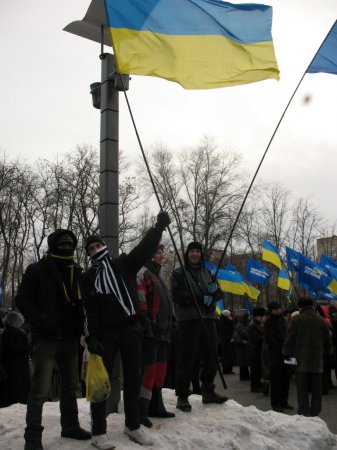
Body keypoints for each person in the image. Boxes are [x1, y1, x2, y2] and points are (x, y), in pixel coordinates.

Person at [84, 211, 170, 449]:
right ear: (88, 254)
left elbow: (143, 249)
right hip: (106, 335)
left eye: (97, 245)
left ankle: (132, 425)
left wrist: (158, 228)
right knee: (102, 384)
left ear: (105, 246)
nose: (95, 250)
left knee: (133, 379)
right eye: (90, 249)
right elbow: (88, 309)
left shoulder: (123, 264)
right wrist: (91, 337)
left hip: (131, 329)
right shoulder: (89, 276)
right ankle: (98, 432)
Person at [16, 229, 91, 450]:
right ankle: (32, 439)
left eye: (70, 244)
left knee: (71, 387)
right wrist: (39, 319)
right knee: (40, 390)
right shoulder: (38, 269)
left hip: (70, 339)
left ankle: (70, 426)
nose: (67, 247)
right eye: (62, 243)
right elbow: (22, 298)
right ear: (53, 245)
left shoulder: (75, 270)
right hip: (46, 339)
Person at [171, 241, 228, 413]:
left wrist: (214, 291)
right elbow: (176, 295)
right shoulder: (179, 273)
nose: (195, 254)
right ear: (187, 254)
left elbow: (219, 293)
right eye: (192, 251)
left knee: (211, 355)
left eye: (197, 251)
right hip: (189, 320)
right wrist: (199, 298)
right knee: (187, 358)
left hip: (208, 318)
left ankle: (208, 391)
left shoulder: (208, 272)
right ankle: (182, 396)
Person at [136, 243, 175, 428]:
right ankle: (141, 411)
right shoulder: (143, 273)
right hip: (150, 334)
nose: (161, 255)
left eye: (162, 252)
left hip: (163, 334)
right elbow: (141, 301)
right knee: (148, 373)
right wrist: (147, 327)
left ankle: (156, 406)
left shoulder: (158, 276)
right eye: (157, 252)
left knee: (160, 372)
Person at [283, 297, 332, 416]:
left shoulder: (296, 320)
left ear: (300, 307)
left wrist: (286, 354)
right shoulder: (321, 320)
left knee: (302, 391)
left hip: (301, 362)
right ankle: (315, 412)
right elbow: (328, 342)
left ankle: (303, 413)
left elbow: (289, 339)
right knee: (316, 390)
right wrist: (326, 354)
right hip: (317, 363)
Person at [264, 301, 292, 413]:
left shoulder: (281, 320)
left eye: (279, 309)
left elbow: (286, 334)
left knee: (286, 379)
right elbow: (270, 339)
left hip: (285, 354)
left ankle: (284, 401)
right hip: (276, 356)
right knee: (276, 381)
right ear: (271, 310)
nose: (279, 311)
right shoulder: (269, 321)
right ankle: (276, 404)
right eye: (276, 309)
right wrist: (281, 348)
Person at [1, 310, 31, 406]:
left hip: (11, 366)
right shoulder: (20, 334)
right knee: (20, 389)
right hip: (19, 366)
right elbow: (21, 348)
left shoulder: (6, 334)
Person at [247, 307, 265, 392]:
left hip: (257, 350)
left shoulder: (258, 324)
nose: (262, 317)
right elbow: (255, 337)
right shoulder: (252, 325)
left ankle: (257, 384)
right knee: (255, 369)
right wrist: (265, 338)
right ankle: (254, 386)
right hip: (254, 350)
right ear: (256, 316)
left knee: (258, 369)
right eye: (260, 316)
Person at [232, 312, 250, 381]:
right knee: (243, 362)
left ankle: (245, 375)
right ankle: (244, 376)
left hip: (242, 345)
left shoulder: (241, 324)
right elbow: (244, 334)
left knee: (244, 362)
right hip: (241, 345)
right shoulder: (241, 325)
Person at [219, 310, 235, 374]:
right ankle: (226, 369)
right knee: (226, 355)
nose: (230, 316)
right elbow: (228, 329)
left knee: (230, 355)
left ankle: (229, 369)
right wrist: (231, 321)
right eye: (229, 315)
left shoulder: (225, 321)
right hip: (225, 340)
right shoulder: (223, 322)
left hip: (228, 339)